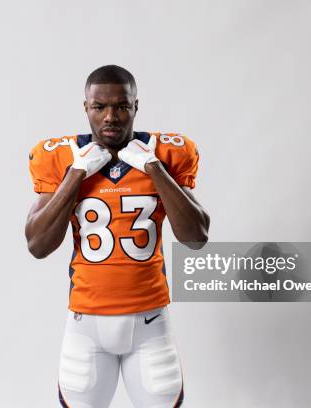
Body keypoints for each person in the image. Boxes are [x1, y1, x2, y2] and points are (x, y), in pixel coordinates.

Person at [25, 65, 210, 408]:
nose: (111, 116)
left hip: (151, 322)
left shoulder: (167, 154)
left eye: (122, 106)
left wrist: (154, 167)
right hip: (85, 325)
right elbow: (38, 245)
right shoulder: (62, 157)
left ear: (136, 106)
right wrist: (76, 174)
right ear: (86, 108)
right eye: (100, 107)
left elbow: (196, 237)